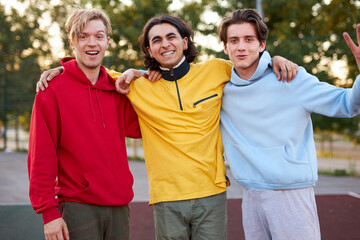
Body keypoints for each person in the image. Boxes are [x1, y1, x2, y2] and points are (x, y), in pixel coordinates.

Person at [37, 14, 298, 239]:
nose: (165, 44)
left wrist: (273, 59)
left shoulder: (217, 70)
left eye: (171, 37)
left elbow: (247, 65)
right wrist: (59, 70)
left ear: (185, 42)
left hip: (211, 193)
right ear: (149, 51)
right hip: (164, 199)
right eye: (156, 41)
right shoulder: (135, 85)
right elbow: (90, 71)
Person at [218, 9, 360, 240]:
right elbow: (178, 78)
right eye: (234, 40)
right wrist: (138, 74)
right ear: (226, 48)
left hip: (290, 192)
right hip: (250, 194)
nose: (241, 46)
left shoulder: (290, 77)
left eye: (249, 39)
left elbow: (347, 104)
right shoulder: (221, 87)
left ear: (262, 44)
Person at [28, 8, 141, 240]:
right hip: (77, 207)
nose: (92, 43)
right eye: (83, 36)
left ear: (107, 41)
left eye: (99, 36)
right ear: (72, 41)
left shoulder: (117, 88)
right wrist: (48, 213)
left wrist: (140, 73)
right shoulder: (51, 90)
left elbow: (141, 129)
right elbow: (41, 155)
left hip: (120, 206)